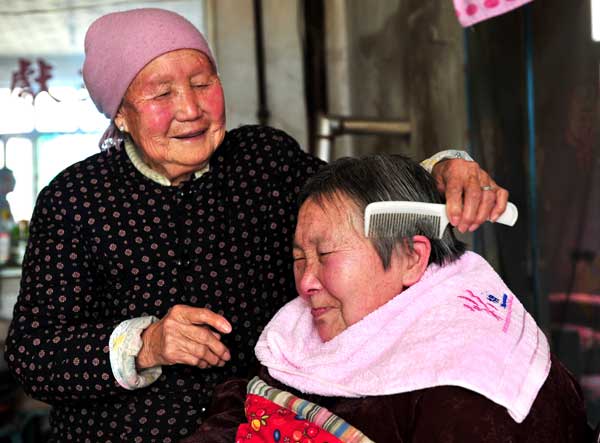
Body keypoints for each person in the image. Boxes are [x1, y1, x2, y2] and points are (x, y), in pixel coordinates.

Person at [5, 8, 509, 442]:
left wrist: (442, 171)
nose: (190, 109)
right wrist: (146, 344)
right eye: (161, 94)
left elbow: (363, 201)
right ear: (120, 115)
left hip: (266, 425)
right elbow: (33, 354)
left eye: (203, 84)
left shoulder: (262, 160)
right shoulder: (76, 200)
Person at [186, 154, 591, 443]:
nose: (306, 281)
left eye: (325, 256)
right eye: (298, 258)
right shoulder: (301, 336)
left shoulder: (469, 399)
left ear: (413, 258)